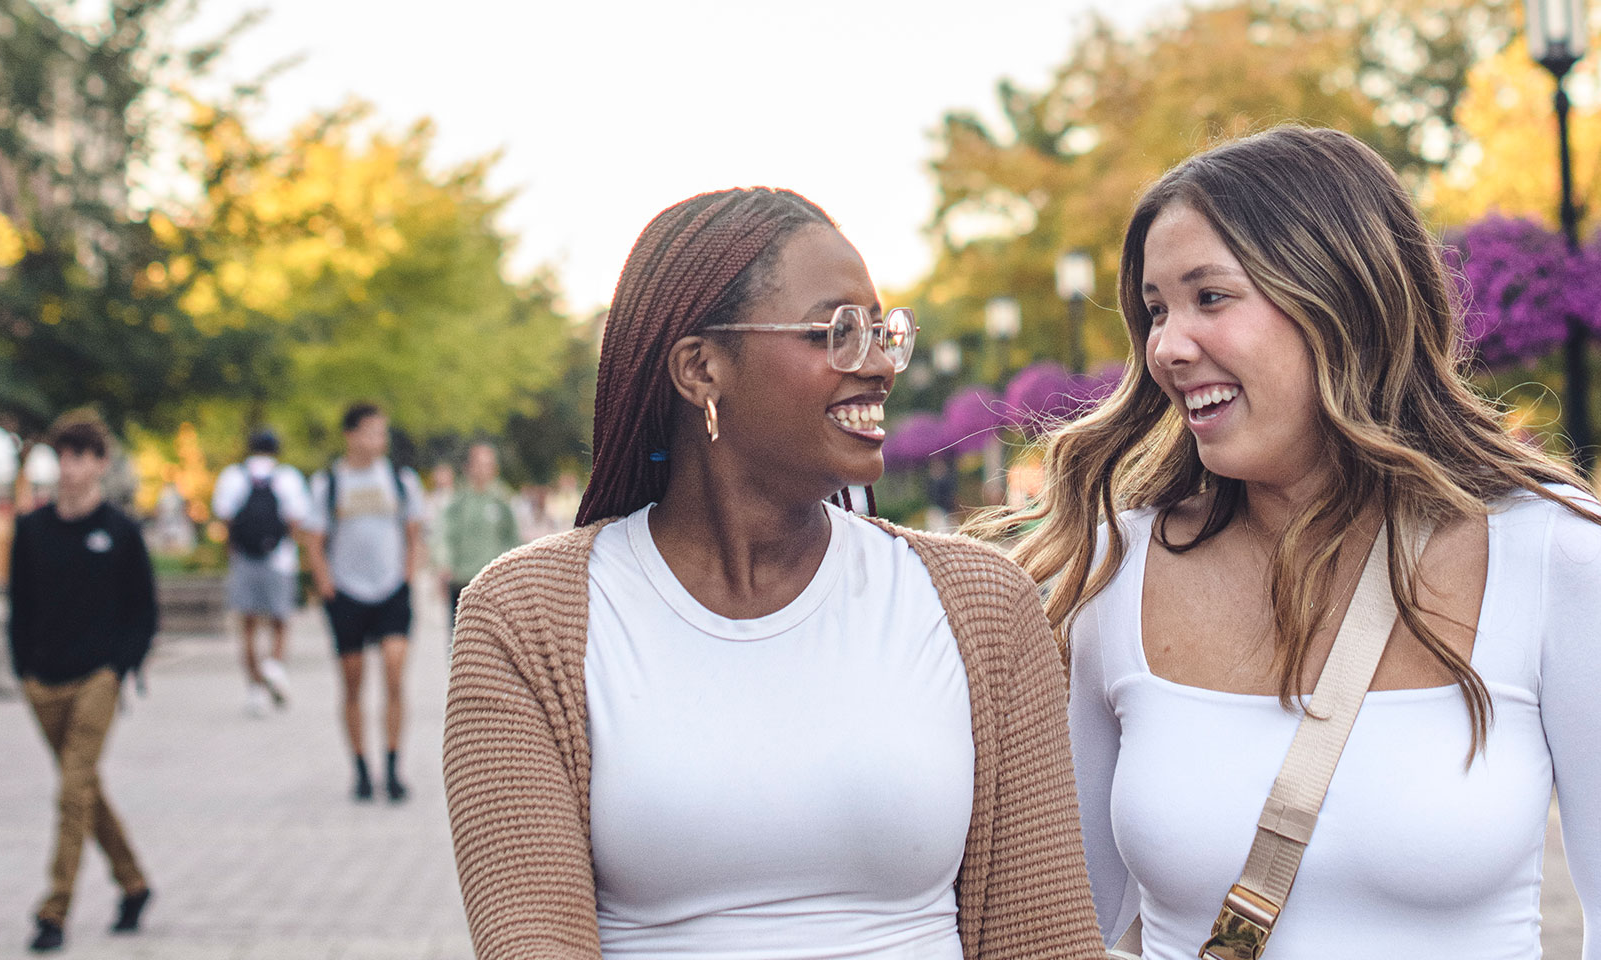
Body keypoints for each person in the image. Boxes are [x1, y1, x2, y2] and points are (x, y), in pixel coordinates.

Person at [978, 126, 1601, 958]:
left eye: (1210, 298)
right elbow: (1076, 924)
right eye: (1156, 309)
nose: (1165, 346)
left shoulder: (1554, 555)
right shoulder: (1117, 574)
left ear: (1339, 299)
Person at [442, 187, 1101, 959]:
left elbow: (1046, 942)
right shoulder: (530, 618)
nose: (881, 364)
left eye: (885, 332)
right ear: (701, 369)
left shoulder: (981, 605)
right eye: (838, 332)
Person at [8, 418, 155, 952]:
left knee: (72, 788)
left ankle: (54, 909)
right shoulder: (32, 529)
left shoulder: (120, 531)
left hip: (99, 675)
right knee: (84, 787)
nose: (69, 467)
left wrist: (121, 667)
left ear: (99, 463)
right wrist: (23, 667)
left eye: (79, 457)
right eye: (62, 456)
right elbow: (19, 604)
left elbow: (143, 610)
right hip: (44, 679)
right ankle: (133, 882)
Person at [301, 403, 424, 803]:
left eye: (382, 433)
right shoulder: (328, 484)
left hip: (391, 591)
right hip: (347, 594)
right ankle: (360, 769)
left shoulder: (400, 480)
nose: (378, 441)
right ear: (350, 435)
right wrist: (327, 588)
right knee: (353, 682)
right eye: (370, 432)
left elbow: (414, 535)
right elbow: (314, 542)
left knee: (393, 671)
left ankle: (392, 767)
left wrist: (407, 577)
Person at [212, 429, 311, 716]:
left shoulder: (234, 477)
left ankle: (254, 689)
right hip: (280, 560)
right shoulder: (288, 478)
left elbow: (225, 516)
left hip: (244, 560)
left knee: (248, 625)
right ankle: (274, 666)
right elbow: (296, 518)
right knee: (280, 620)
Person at [440, 442, 520, 630]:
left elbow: (513, 537)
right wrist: (445, 564)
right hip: (462, 580)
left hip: (494, 581)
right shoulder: (458, 501)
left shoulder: (502, 499)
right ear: (469, 467)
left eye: (489, 464)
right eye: (479, 464)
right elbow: (445, 535)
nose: (484, 470)